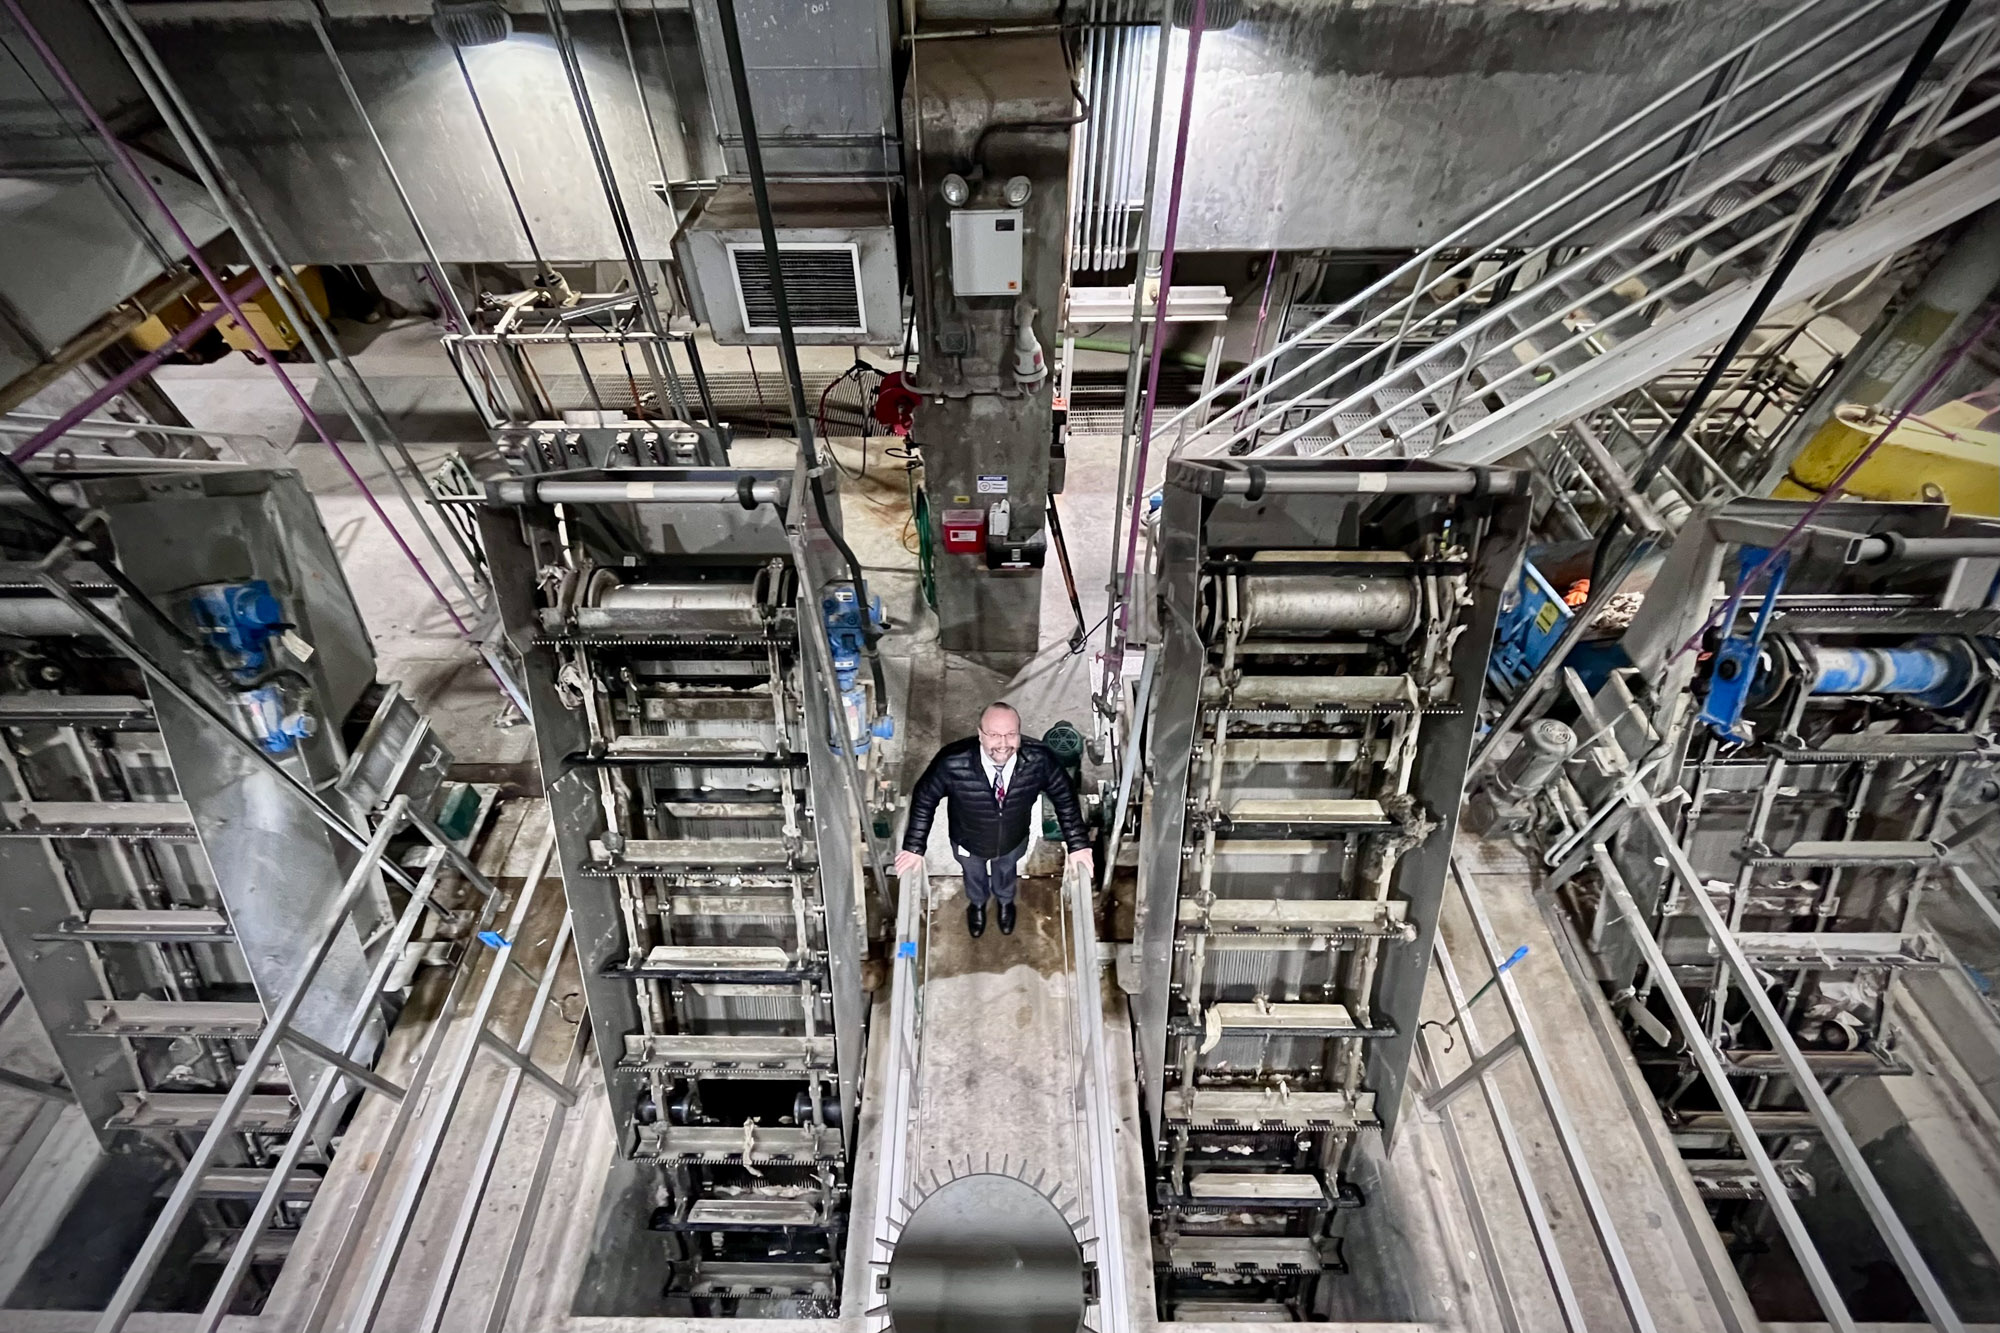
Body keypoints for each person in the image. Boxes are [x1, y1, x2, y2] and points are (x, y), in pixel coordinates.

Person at [895, 702, 1093, 937]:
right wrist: (914, 847)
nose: (1003, 744)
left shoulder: (1039, 760)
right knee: (973, 875)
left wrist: (1078, 845)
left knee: (1006, 872)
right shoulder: (953, 761)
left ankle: (1005, 902)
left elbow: (1065, 797)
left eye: (1011, 734)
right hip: (968, 840)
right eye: (994, 735)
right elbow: (925, 798)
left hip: (1013, 838)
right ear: (981, 735)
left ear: (1019, 734)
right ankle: (977, 904)